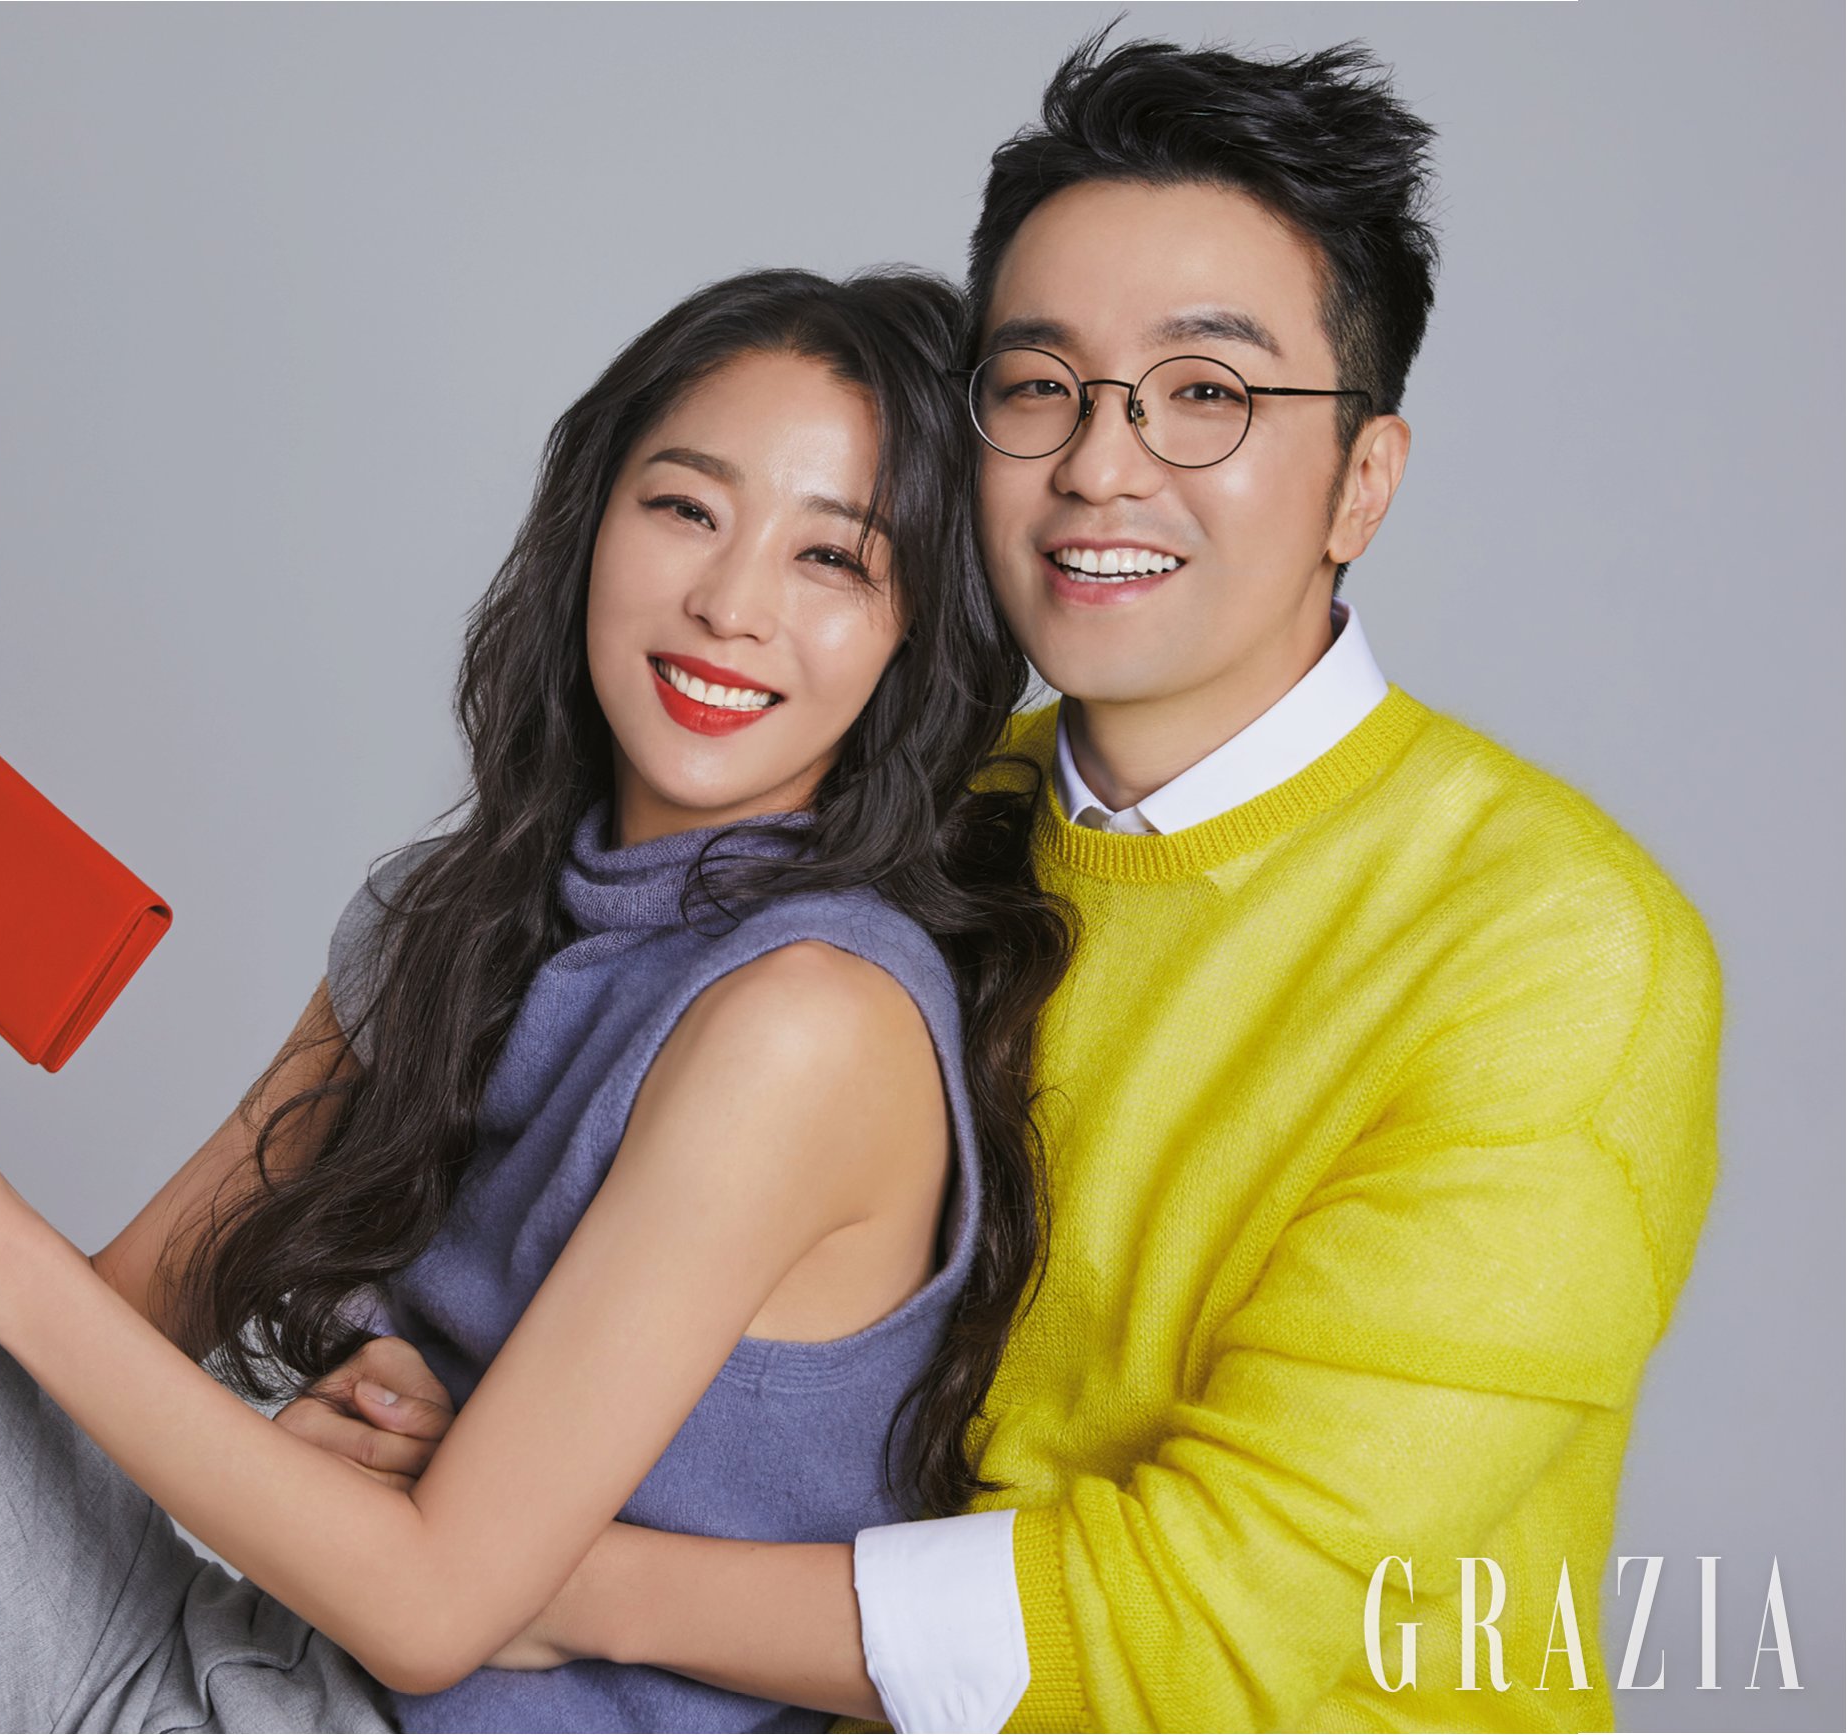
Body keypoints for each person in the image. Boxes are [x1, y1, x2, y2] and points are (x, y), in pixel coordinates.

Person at [358, 31, 1723, 1732]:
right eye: (1036, 386)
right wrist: (437, 1415)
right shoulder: (914, 819)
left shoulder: (1553, 951)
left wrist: (530, 1568)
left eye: (1204, 393)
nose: (1099, 465)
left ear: (1360, 482)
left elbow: (1215, 1622)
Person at [0, 267, 1076, 1732]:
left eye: (831, 558)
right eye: (686, 508)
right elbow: (110, 1333)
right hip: (241, 1671)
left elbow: (429, 1611)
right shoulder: (450, 917)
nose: (729, 603)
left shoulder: (809, 1020)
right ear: (590, 525)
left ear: (909, 633)